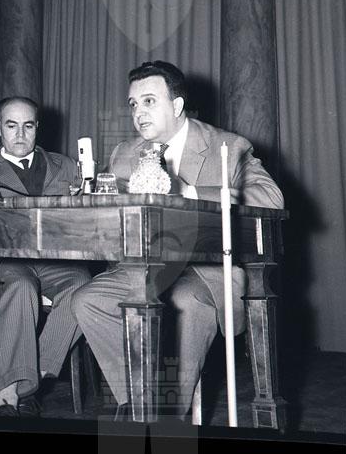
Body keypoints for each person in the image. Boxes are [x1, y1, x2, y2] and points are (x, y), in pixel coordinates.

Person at [72, 61, 284, 419]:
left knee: (185, 302)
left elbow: (272, 199)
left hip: (207, 271)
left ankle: (169, 414)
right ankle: (138, 403)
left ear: (177, 105)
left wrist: (190, 191)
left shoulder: (227, 146)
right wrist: (89, 197)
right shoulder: (124, 154)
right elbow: (106, 211)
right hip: (146, 267)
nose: (138, 112)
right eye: (133, 104)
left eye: (149, 101)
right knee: (88, 299)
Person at [0, 96, 90, 417]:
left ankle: (26, 382)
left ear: (37, 128)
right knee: (21, 286)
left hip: (56, 260)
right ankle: (7, 396)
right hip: (7, 260)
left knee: (84, 285)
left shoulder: (67, 167)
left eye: (27, 126)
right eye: (11, 125)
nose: (20, 134)